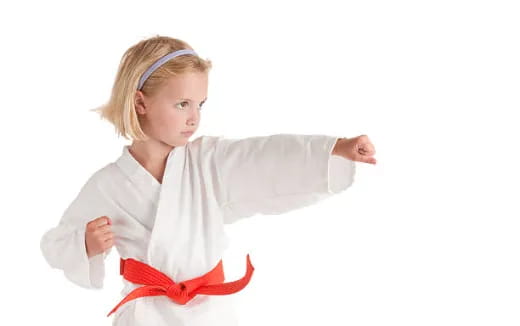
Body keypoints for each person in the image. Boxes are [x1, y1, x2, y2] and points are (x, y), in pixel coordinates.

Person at [40, 34, 377, 326]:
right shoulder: (107, 185)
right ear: (140, 102)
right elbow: (55, 244)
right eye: (182, 104)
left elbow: (263, 157)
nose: (194, 118)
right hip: (145, 316)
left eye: (200, 104)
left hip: (209, 313)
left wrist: (333, 149)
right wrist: (85, 243)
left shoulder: (207, 162)